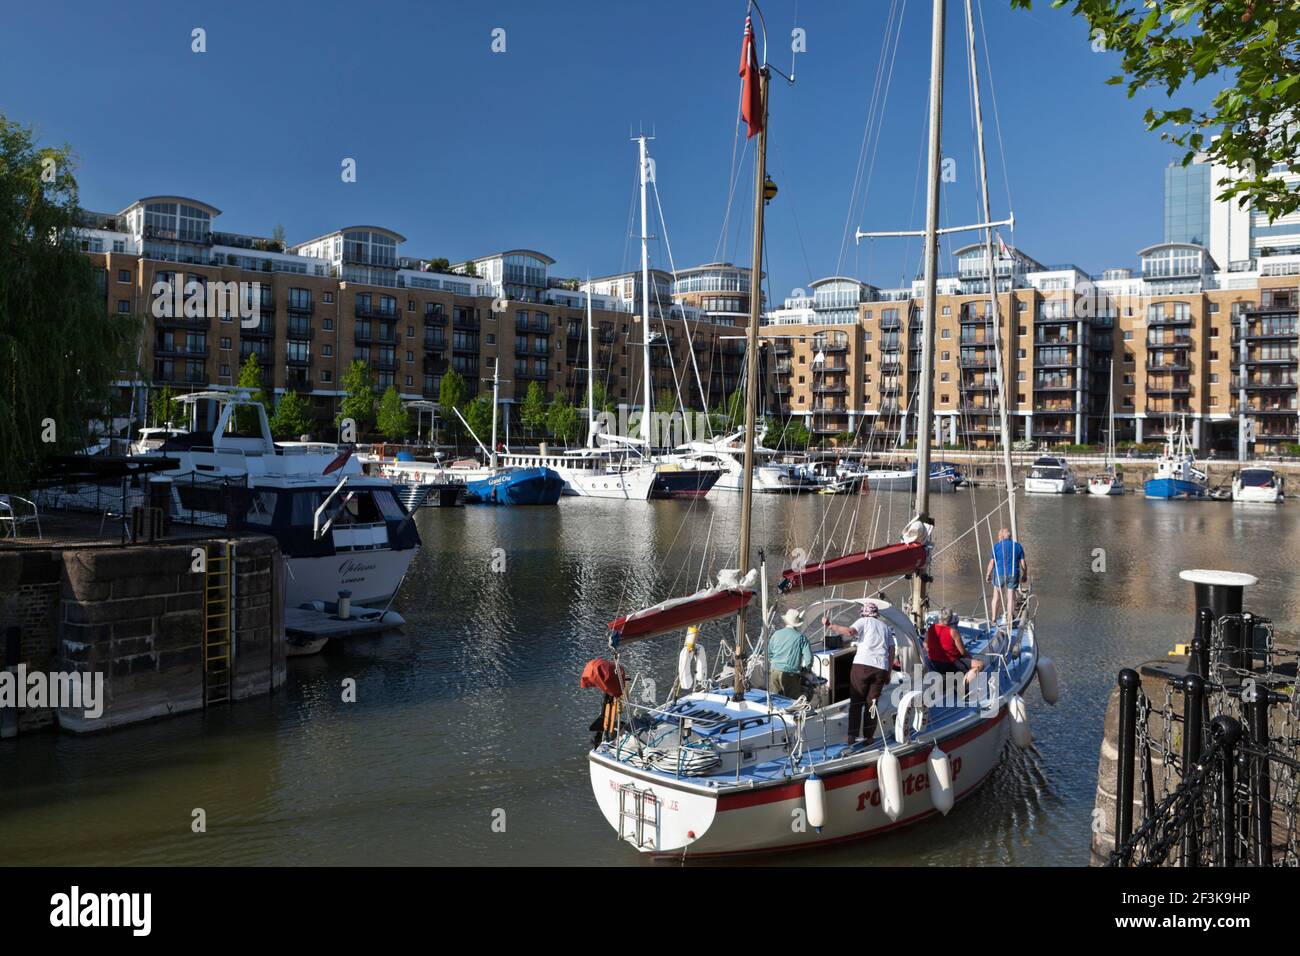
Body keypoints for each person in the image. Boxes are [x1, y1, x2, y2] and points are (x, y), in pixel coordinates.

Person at [825, 602, 894, 745]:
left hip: (862, 666)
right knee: (872, 703)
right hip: (880, 668)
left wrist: (831, 626)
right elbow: (891, 650)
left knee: (856, 701)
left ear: (864, 612)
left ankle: (852, 736)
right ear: (876, 614)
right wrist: (888, 672)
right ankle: (869, 737)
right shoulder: (886, 628)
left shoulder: (864, 621)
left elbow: (850, 632)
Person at [925, 608, 984, 687]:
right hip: (951, 664)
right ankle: (964, 684)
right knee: (980, 664)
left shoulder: (931, 629)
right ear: (950, 618)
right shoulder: (953, 632)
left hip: (934, 663)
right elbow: (962, 652)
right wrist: (970, 658)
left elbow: (925, 645)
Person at [986, 527, 1026, 631]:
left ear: (1002, 536)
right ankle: (1009, 621)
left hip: (999, 574)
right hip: (1013, 574)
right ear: (1010, 536)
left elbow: (992, 563)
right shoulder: (1017, 546)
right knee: (1010, 598)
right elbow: (1023, 563)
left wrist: (988, 574)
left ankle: (994, 620)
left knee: (996, 596)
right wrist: (1025, 574)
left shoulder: (997, 546)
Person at [767, 608, 813, 698]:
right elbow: (809, 659)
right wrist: (808, 669)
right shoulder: (801, 638)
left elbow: (769, 654)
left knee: (775, 699)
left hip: (774, 671)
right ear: (797, 624)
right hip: (790, 674)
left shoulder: (776, 634)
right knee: (792, 701)